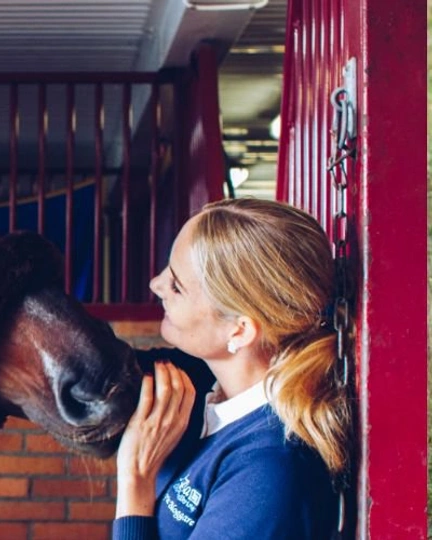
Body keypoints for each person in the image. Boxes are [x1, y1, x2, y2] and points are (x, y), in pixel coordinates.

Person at [113, 198, 351, 539]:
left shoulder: (268, 474)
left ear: (239, 330)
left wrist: (135, 481)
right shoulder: (209, 390)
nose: (156, 283)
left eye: (176, 285)